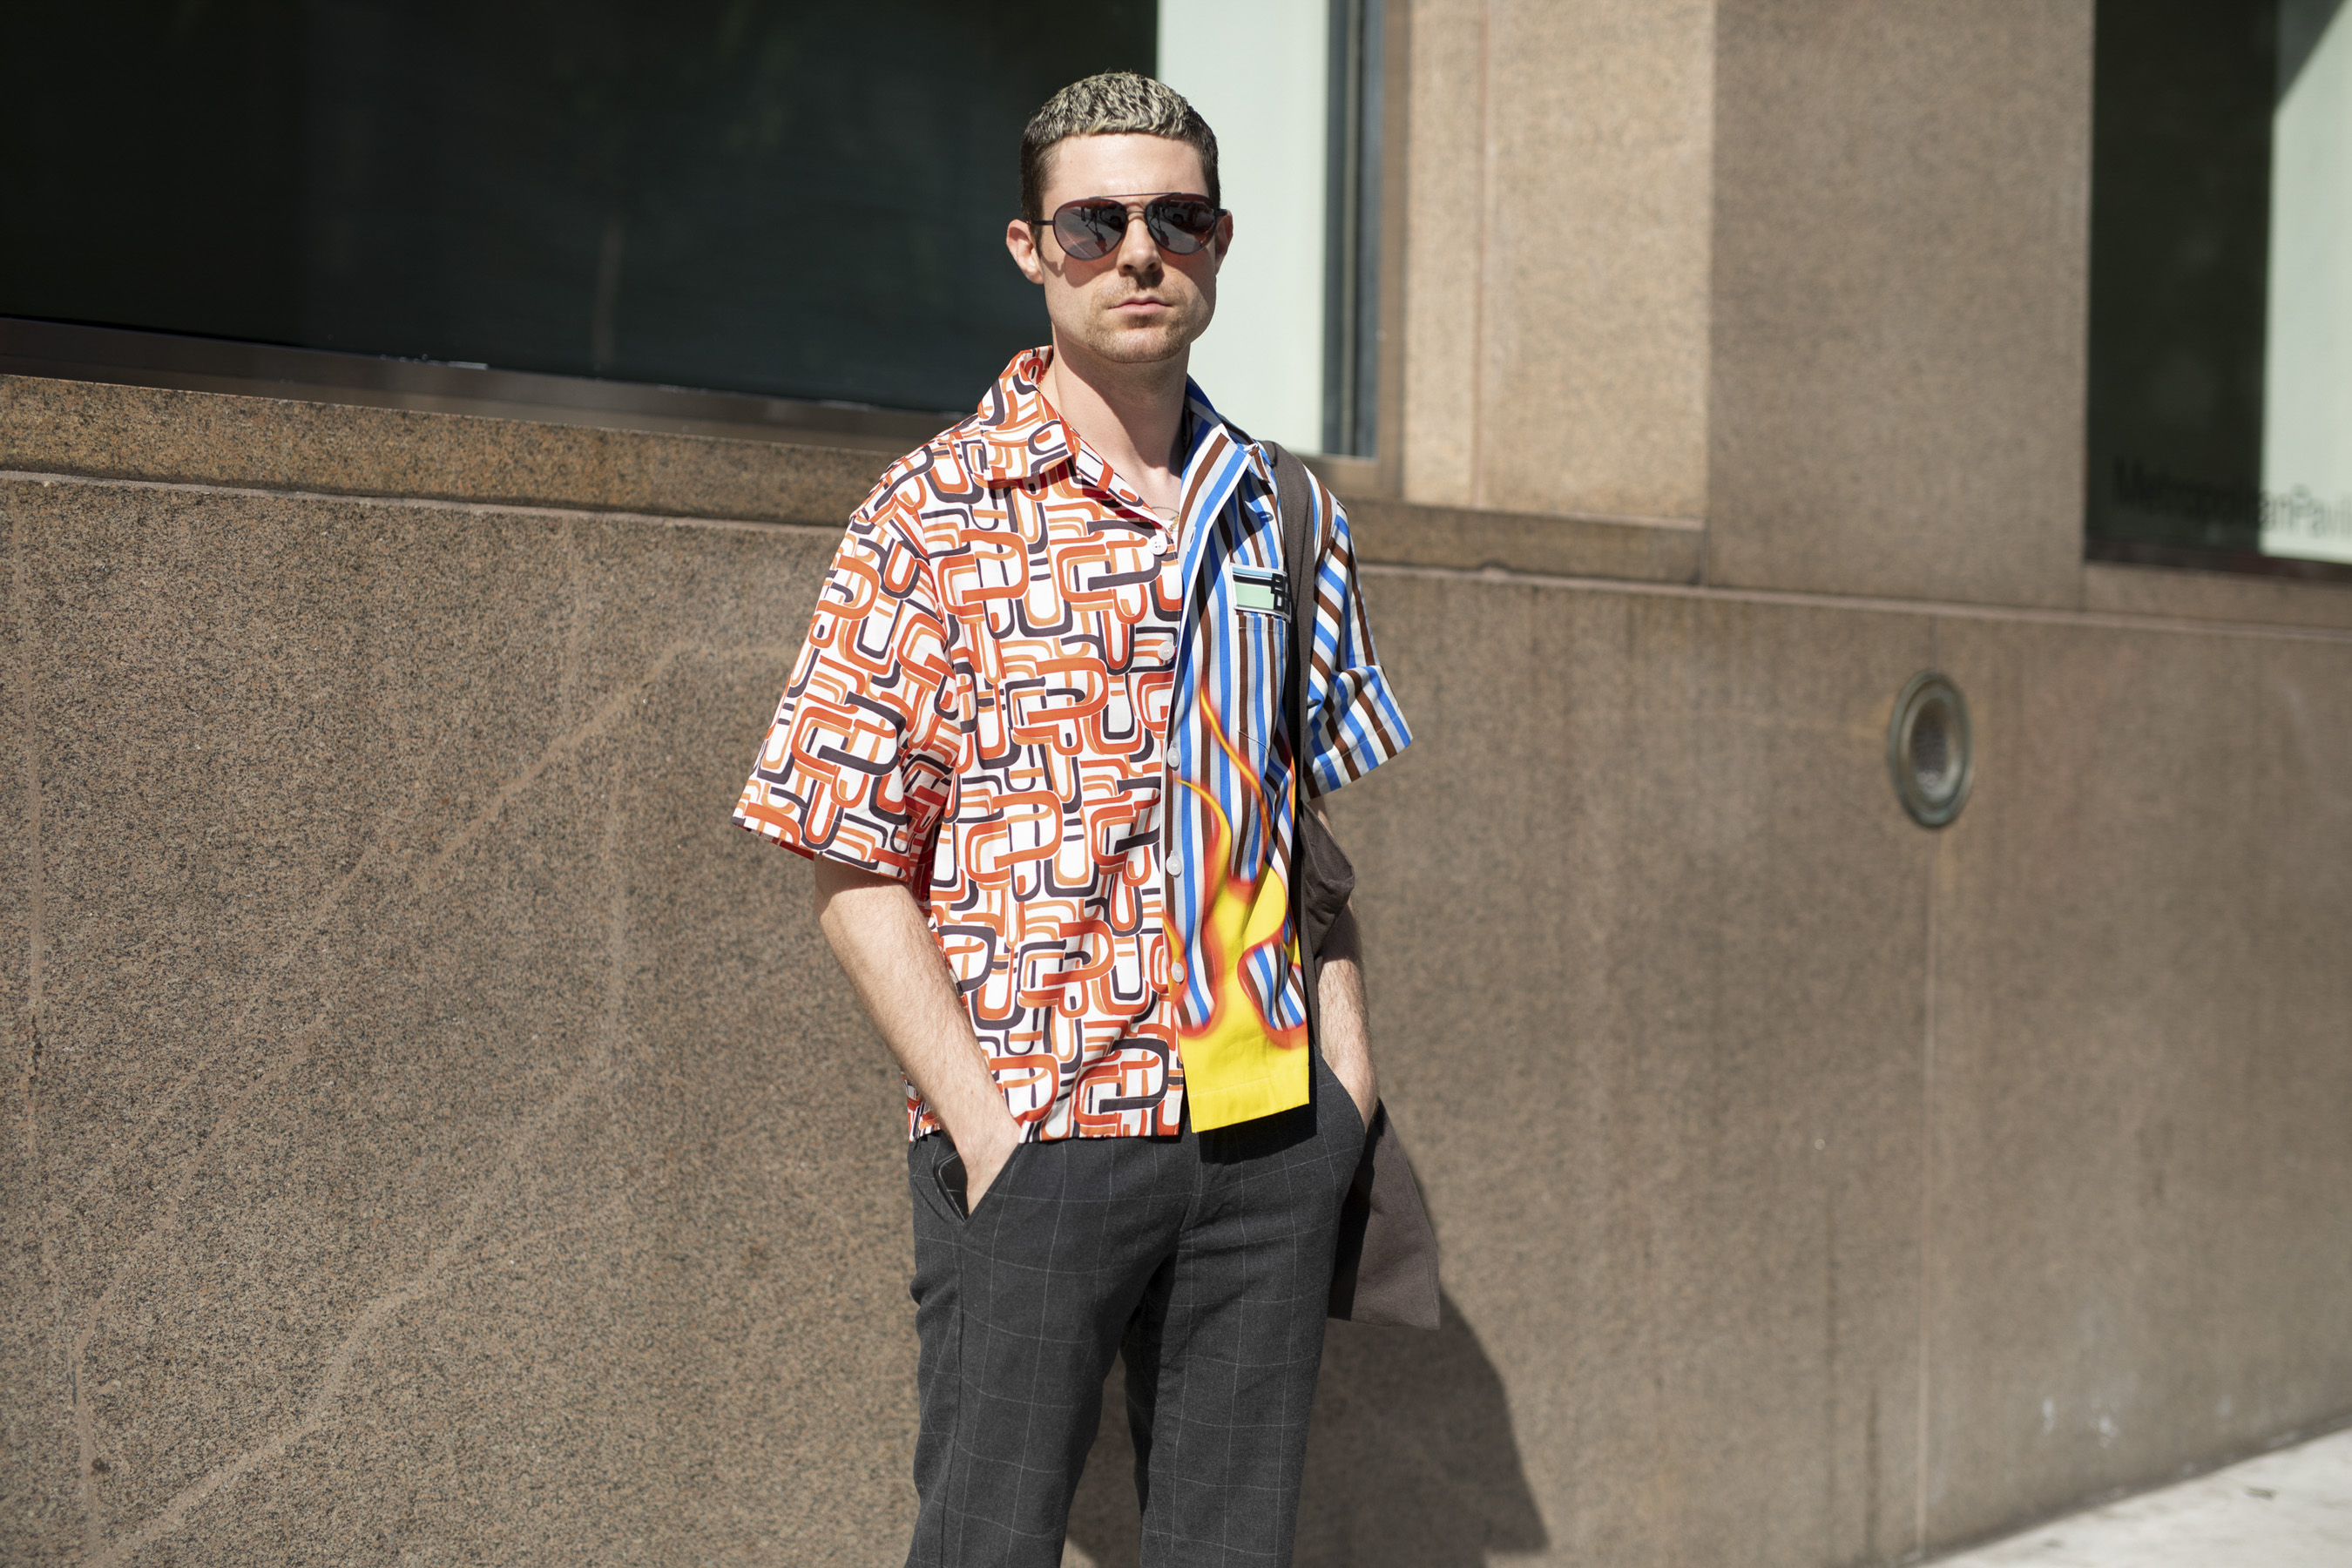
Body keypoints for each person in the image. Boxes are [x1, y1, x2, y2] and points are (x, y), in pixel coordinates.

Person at [732, 71, 1412, 1567]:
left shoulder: (1282, 509)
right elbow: (846, 857)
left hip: (1262, 1123)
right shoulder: (932, 515)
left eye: (1177, 219)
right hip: (1038, 1136)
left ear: (1220, 242)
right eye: (1096, 224)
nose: (1140, 254)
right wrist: (993, 1138)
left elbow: (1307, 829)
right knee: (984, 1542)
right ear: (1032, 250)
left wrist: (1344, 1087)